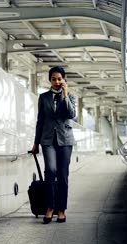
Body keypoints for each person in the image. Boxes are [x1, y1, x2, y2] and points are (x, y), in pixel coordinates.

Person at [32, 66, 76, 224]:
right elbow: (40, 121)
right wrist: (36, 143)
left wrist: (64, 95)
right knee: (50, 171)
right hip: (48, 140)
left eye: (59, 79)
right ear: (49, 80)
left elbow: (71, 114)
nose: (57, 82)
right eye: (54, 79)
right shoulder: (43, 98)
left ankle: (61, 209)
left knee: (63, 175)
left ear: (64, 80)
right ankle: (50, 207)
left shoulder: (70, 96)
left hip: (65, 140)